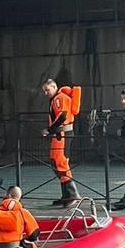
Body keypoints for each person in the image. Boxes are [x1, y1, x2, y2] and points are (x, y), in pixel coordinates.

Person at [41, 77, 79, 207]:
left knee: (61, 162)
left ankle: (72, 194)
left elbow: (62, 116)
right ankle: (66, 195)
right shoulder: (57, 98)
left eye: (47, 90)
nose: (46, 93)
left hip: (62, 133)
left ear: (54, 86)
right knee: (55, 161)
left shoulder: (59, 98)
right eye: (44, 91)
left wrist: (49, 129)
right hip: (58, 133)